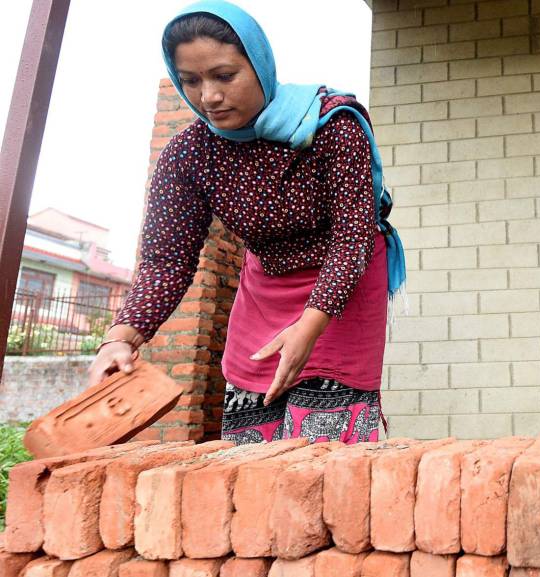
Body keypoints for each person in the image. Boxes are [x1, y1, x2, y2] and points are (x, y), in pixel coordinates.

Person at [87, 0, 406, 446]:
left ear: (260, 64)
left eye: (224, 75)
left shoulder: (332, 125)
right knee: (250, 446)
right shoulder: (189, 154)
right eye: (191, 81)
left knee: (324, 448)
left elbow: (352, 236)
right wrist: (121, 339)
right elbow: (167, 260)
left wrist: (310, 325)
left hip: (341, 286)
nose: (208, 97)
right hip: (265, 291)